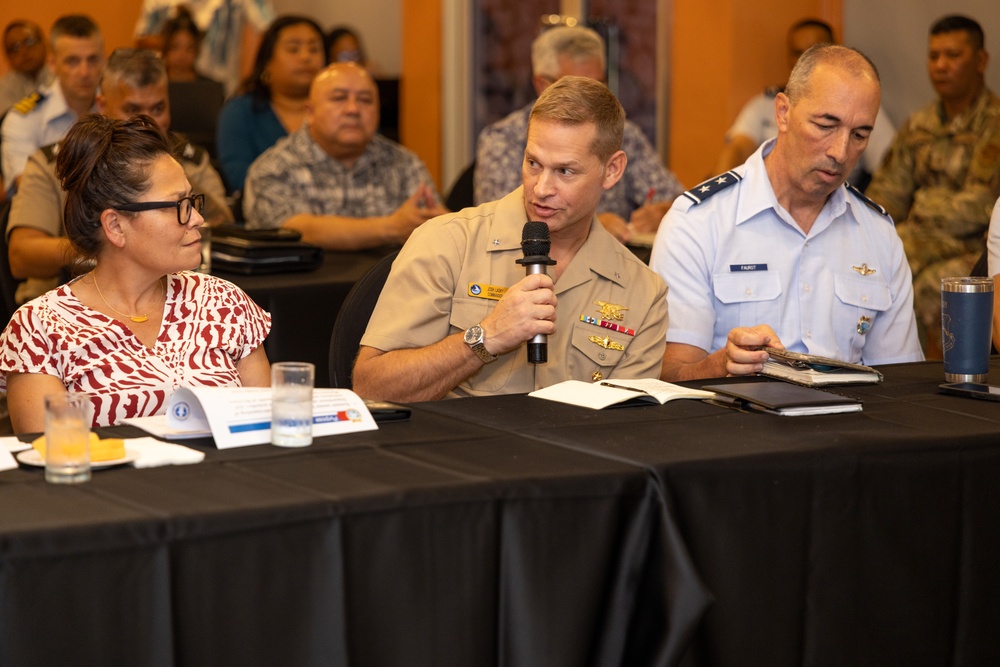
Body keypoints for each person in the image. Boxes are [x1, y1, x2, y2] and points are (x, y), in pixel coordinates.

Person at [353, 76, 667, 401]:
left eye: (565, 172)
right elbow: (371, 387)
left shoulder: (642, 292)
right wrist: (483, 339)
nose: (542, 189)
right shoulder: (447, 242)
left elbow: (630, 429)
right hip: (458, 447)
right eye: (533, 163)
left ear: (612, 170)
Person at [651, 44, 923, 382]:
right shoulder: (699, 222)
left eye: (859, 135)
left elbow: (900, 382)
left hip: (849, 427)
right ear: (783, 113)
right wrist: (722, 366)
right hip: (733, 426)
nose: (840, 152)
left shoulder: (877, 233)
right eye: (826, 125)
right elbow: (669, 377)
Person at [0, 114, 270, 433]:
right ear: (115, 226)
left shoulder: (224, 303)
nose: (197, 218)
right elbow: (52, 463)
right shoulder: (40, 330)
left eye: (192, 201)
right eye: (177, 205)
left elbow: (265, 435)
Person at [6, 48, 233, 305]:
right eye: (133, 110)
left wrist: (173, 179)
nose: (149, 123)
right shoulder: (55, 164)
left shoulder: (188, 159)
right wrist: (105, 249)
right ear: (103, 105)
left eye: (158, 108)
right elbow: (21, 256)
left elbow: (224, 231)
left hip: (178, 301)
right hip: (66, 308)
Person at [474, 25, 683, 245]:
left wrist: (665, 212)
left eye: (598, 85)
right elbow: (501, 228)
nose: (589, 97)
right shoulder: (503, 139)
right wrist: (592, 226)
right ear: (542, 85)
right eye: (534, 163)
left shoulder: (624, 134)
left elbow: (678, 200)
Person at [866, 15, 1000, 359]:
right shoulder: (919, 125)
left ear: (981, 61)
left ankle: (940, 385)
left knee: (930, 289)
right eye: (934, 56)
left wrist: (923, 206)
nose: (941, 66)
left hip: (977, 252)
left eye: (953, 55)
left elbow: (982, 206)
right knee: (871, 267)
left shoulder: (995, 123)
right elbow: (886, 196)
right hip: (918, 243)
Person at [243, 62, 444, 249]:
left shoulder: (404, 163)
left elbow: (439, 226)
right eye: (339, 98)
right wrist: (392, 228)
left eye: (365, 100)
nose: (353, 109)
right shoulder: (273, 168)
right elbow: (294, 230)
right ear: (310, 112)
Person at [715, 18, 894, 190]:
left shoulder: (862, 110)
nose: (840, 153)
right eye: (797, 52)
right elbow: (737, 149)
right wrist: (724, 195)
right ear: (782, 111)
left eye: (814, 50)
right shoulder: (763, 105)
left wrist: (862, 212)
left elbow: (890, 170)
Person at [216, 15, 326, 193]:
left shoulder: (340, 110)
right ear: (267, 63)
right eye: (294, 49)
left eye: (314, 49)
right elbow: (240, 179)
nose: (306, 57)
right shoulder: (239, 111)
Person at [1, 15, 104, 193]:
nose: (84, 72)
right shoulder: (23, 120)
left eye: (93, 60)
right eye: (73, 61)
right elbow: (30, 192)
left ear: (104, 61)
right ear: (52, 64)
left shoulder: (117, 109)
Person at [133, 0, 275, 95]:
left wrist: (248, 86)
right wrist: (175, 40)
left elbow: (268, 31)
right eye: (174, 47)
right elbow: (142, 38)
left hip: (224, 89)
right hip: (166, 84)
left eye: (190, 48)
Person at [0, 20, 53, 115]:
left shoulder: (62, 77)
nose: (23, 52)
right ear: (8, 57)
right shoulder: (3, 89)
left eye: (29, 42)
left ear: (45, 43)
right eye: (14, 47)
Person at [158, 7, 216, 82]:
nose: (182, 55)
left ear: (197, 50)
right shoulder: (151, 86)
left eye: (189, 49)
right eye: (175, 47)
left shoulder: (209, 88)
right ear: (165, 48)